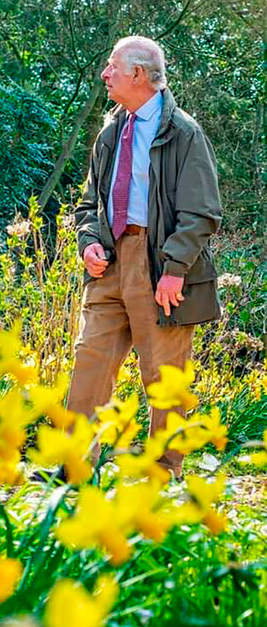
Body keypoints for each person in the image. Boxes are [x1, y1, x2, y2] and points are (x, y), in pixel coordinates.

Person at [69, 35, 222, 479]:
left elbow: (201, 212)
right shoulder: (111, 130)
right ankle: (74, 467)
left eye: (112, 66)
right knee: (89, 362)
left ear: (138, 74)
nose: (105, 74)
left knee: (165, 377)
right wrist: (89, 241)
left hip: (161, 265)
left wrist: (175, 269)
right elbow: (89, 204)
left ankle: (164, 470)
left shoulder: (184, 132)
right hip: (110, 263)